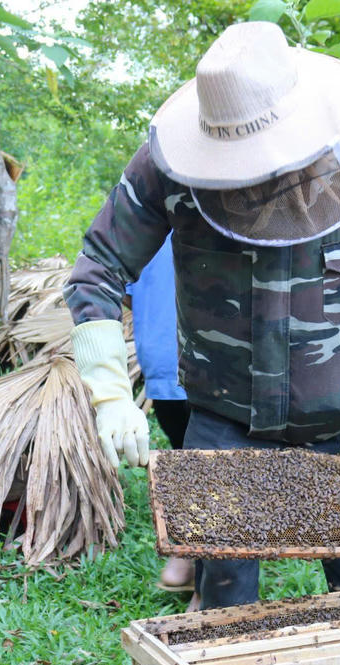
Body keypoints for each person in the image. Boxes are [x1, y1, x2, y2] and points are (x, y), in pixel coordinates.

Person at [65, 21, 340, 611]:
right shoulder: (165, 167)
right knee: (221, 614)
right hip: (223, 422)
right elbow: (97, 268)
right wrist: (109, 391)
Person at [125, 236, 195, 594]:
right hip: (163, 355)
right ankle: (190, 548)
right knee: (183, 454)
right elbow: (117, 277)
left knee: (217, 457)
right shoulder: (147, 194)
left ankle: (209, 578)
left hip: (218, 361)